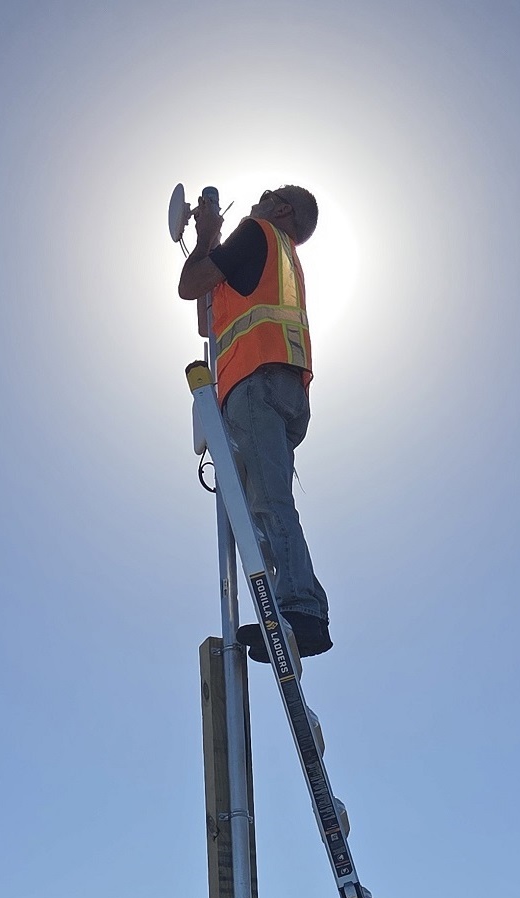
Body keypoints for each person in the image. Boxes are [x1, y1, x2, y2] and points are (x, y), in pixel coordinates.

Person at [178, 185, 331, 661]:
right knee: (261, 504)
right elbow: (208, 320)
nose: (259, 196)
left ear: (282, 210)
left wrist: (206, 235)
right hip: (282, 384)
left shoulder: (256, 232)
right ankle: (286, 606)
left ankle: (300, 609)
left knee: (266, 500)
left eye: (271, 194)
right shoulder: (277, 255)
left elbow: (190, 283)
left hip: (255, 382)